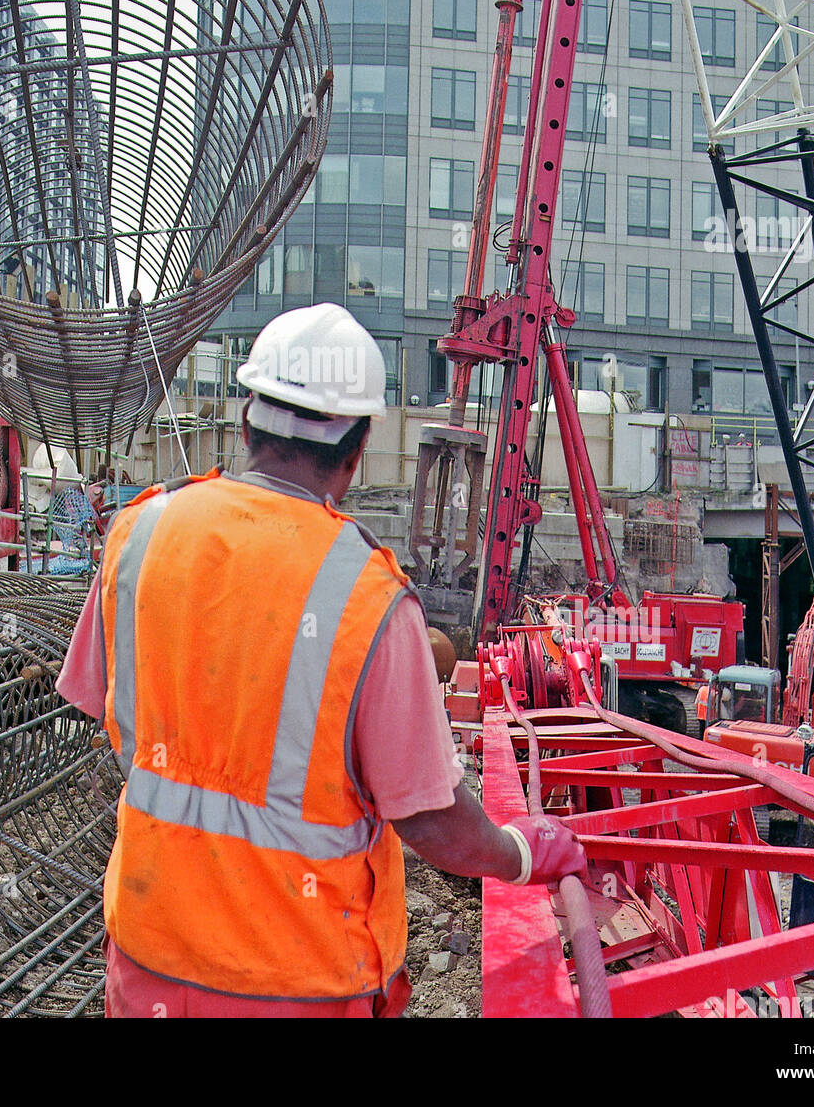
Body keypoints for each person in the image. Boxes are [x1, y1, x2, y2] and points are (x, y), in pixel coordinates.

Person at [56, 302, 586, 1018]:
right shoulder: (365, 595)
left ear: (247, 423)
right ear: (358, 448)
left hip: (148, 954)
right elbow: (429, 820)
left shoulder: (141, 530)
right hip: (293, 981)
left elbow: (103, 700)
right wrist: (521, 851)